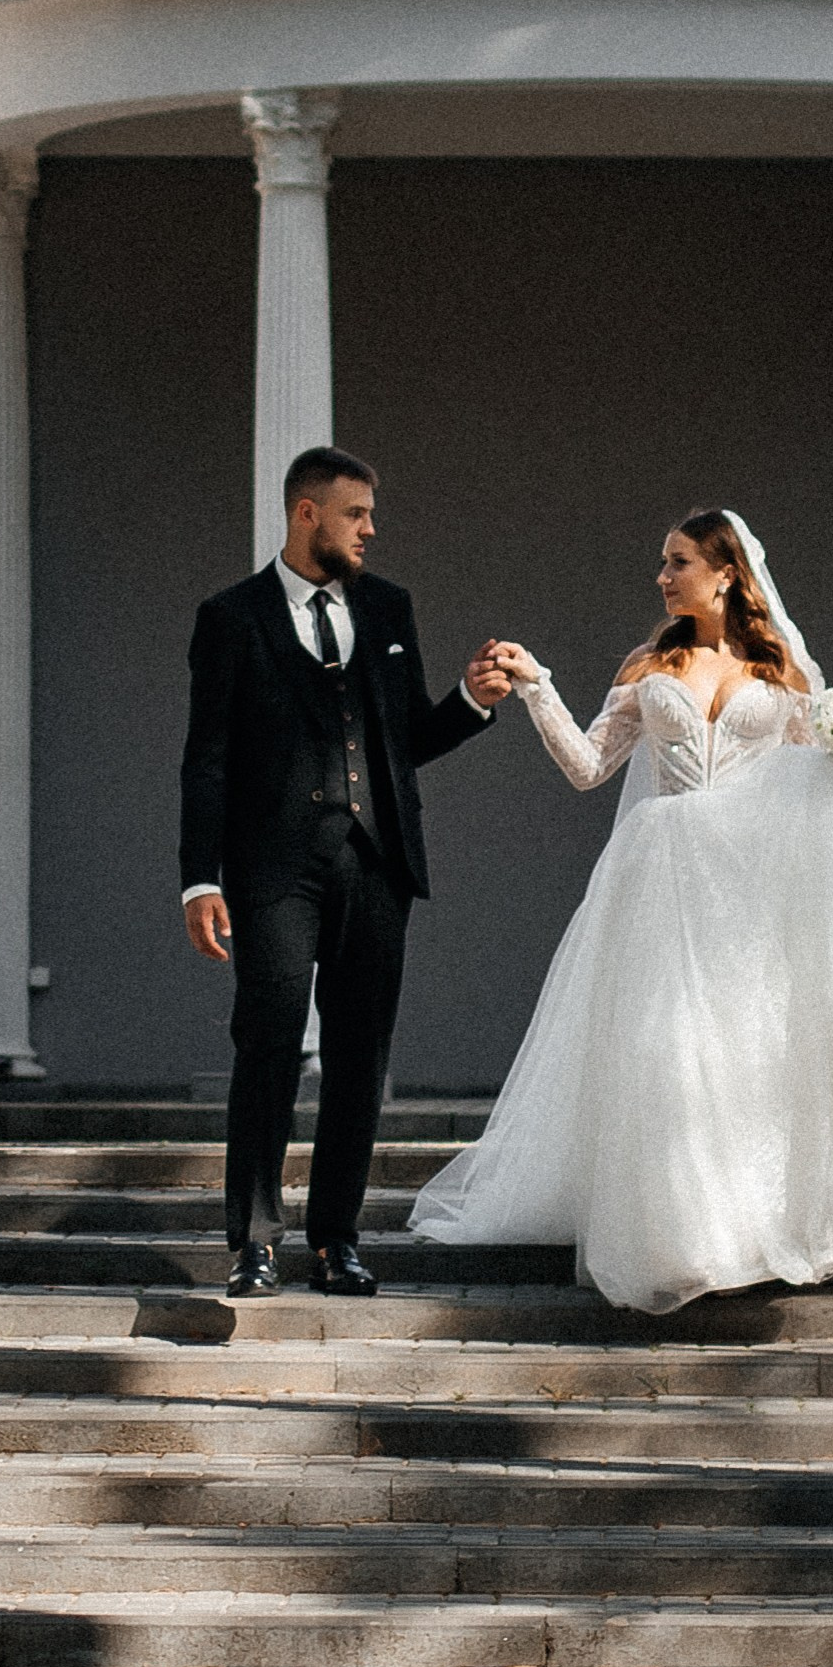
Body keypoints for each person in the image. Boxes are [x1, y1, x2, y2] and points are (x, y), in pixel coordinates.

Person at [408, 508, 833, 1314]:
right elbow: (590, 768)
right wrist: (538, 688)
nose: (662, 577)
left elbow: (811, 783)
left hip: (757, 881)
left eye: (677, 562)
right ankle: (689, 1235)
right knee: (674, 1050)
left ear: (726, 572)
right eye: (662, 563)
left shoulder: (783, 670)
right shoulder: (648, 661)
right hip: (663, 875)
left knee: (758, 1048)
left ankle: (766, 1222)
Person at [181, 446, 509, 1299]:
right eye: (355, 513)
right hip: (271, 872)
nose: (370, 528)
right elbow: (206, 760)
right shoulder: (231, 617)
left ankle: (335, 1241)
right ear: (305, 515)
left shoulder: (390, 608)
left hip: (377, 865)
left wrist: (471, 703)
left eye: (369, 514)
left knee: (360, 1059)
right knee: (269, 1044)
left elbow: (405, 744)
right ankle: (251, 1241)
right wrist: (198, 878)